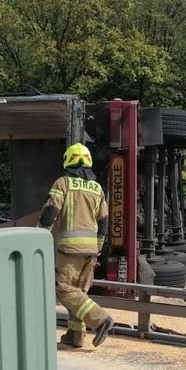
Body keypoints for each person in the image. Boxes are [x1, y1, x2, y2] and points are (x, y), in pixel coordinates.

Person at [38, 143, 114, 349]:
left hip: (69, 249)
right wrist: (98, 249)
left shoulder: (63, 183)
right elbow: (104, 222)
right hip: (90, 250)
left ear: (68, 161)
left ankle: (100, 319)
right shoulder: (97, 188)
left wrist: (37, 238)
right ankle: (75, 336)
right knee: (79, 292)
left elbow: (50, 213)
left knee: (65, 290)